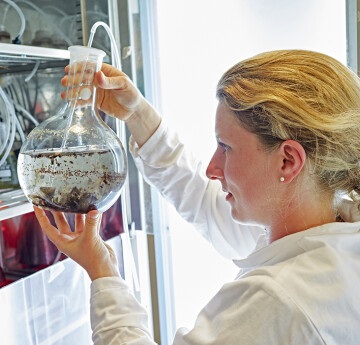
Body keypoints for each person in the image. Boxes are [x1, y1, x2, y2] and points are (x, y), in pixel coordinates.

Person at [34, 49, 360, 344]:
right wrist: (137, 114)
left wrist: (102, 273)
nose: (212, 168)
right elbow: (207, 204)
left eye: (226, 147)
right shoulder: (336, 231)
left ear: (288, 161)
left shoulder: (279, 299)